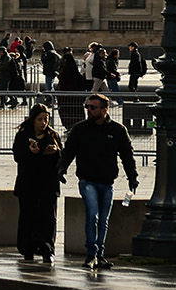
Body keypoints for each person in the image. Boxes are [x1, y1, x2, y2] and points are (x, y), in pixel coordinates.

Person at [56, 93, 139, 271]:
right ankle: (91, 253)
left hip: (107, 181)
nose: (89, 110)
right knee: (92, 215)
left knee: (103, 220)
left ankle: (100, 255)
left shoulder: (117, 130)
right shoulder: (80, 129)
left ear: (104, 109)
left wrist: (133, 177)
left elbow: (127, 155)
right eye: (87, 107)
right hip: (87, 180)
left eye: (93, 107)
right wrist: (61, 168)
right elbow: (69, 151)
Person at [12, 103, 63, 265]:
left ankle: (47, 249)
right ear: (33, 120)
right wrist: (30, 151)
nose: (43, 123)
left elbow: (62, 159)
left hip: (48, 183)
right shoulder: (23, 135)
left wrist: (54, 152)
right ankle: (28, 249)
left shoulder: (52, 135)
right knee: (28, 216)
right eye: (40, 119)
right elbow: (18, 156)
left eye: (46, 119)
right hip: (28, 182)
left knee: (47, 217)